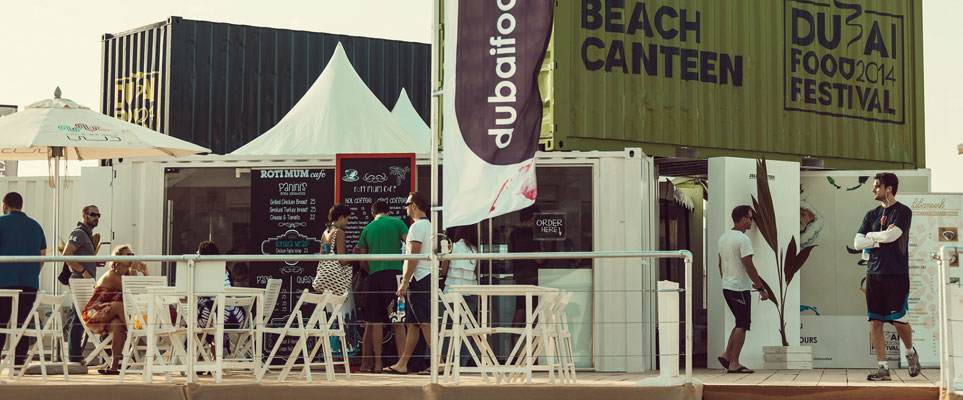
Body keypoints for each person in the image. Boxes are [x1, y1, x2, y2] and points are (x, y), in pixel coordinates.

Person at [853, 172, 920, 381]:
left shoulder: (903, 212)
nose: (873, 189)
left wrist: (871, 237)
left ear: (888, 188)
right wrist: (877, 237)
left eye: (876, 186)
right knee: (875, 322)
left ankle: (910, 352)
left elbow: (893, 236)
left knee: (899, 321)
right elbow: (857, 243)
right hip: (874, 274)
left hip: (896, 275)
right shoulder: (871, 215)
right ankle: (883, 369)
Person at [356, 199, 408, 373]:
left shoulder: (367, 228)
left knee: (375, 321)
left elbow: (362, 260)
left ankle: (377, 363)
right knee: (398, 320)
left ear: (372, 214)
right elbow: (410, 243)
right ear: (389, 212)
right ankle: (402, 362)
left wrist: (374, 269)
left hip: (374, 276)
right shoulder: (398, 223)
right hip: (394, 274)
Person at [384, 192, 433, 374]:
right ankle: (403, 363)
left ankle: (440, 362)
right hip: (424, 277)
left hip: (418, 279)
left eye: (407, 203)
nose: (404, 207)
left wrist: (404, 282)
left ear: (414, 206)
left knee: (424, 322)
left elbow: (413, 256)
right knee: (413, 324)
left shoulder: (416, 227)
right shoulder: (429, 226)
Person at [80, 244, 148, 374]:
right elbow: (132, 290)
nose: (132, 257)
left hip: (111, 314)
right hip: (94, 313)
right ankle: (136, 331)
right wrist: (134, 270)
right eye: (128, 255)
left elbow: (143, 291)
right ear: (117, 259)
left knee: (118, 325)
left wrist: (145, 273)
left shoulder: (128, 275)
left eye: (132, 255)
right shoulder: (111, 275)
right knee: (118, 305)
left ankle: (114, 366)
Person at [717, 205, 769, 374]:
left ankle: (726, 355)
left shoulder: (723, 238)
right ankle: (734, 363)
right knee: (743, 324)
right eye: (750, 218)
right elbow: (749, 266)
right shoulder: (743, 240)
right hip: (739, 288)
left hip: (727, 287)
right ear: (743, 219)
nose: (752, 222)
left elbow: (720, 265)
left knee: (739, 322)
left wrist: (727, 281)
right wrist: (761, 287)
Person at [0, 192, 47, 369]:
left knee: (1, 322)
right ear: (21, 205)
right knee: (22, 323)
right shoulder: (35, 226)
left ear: (4, 206)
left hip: (3, 281)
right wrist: (32, 273)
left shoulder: (1, 222)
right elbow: (42, 257)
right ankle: (19, 361)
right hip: (28, 282)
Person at [63, 204, 101, 364]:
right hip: (80, 281)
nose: (96, 217)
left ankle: (75, 355)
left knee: (78, 317)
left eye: (98, 215)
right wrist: (84, 269)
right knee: (78, 317)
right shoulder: (79, 233)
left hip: (84, 280)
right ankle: (74, 356)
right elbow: (66, 255)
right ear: (84, 215)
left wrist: (93, 263)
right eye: (93, 214)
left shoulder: (87, 235)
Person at [195, 241, 246, 355]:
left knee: (195, 323)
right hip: (237, 318)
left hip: (218, 317)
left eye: (198, 252)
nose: (196, 254)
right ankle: (214, 357)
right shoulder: (225, 270)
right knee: (207, 316)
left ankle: (199, 358)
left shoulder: (205, 271)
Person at [441, 225, 480, 367]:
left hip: (452, 291)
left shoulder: (452, 246)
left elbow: (444, 270)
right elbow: (476, 272)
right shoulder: (476, 250)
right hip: (471, 291)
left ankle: (450, 362)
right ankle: (462, 363)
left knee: (449, 328)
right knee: (466, 330)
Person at [509, 206, 543, 327]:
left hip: (520, 277)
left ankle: (515, 343)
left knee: (520, 310)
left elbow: (511, 260)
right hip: (532, 277)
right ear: (532, 218)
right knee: (534, 312)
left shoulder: (513, 234)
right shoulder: (531, 234)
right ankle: (532, 343)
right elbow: (539, 259)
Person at [312, 204, 352, 295]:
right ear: (342, 217)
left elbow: (321, 257)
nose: (347, 223)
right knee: (342, 309)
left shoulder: (325, 233)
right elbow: (343, 261)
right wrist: (355, 255)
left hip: (326, 282)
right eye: (347, 219)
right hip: (338, 283)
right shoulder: (339, 232)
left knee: (331, 309)